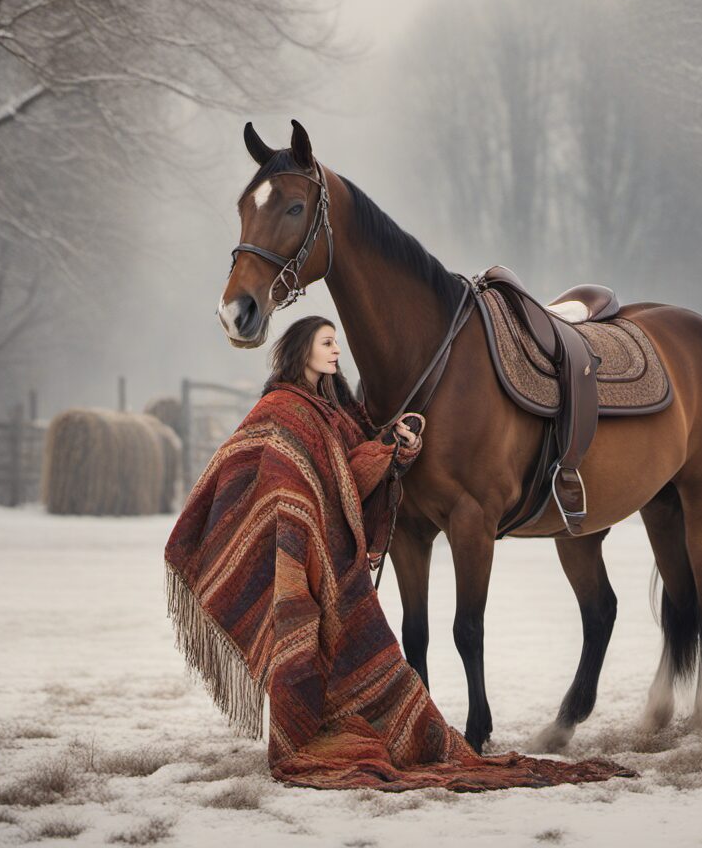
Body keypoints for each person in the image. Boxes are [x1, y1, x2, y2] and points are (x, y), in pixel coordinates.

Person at [164, 316, 630, 792]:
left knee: (356, 660)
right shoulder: (282, 407)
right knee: (308, 650)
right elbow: (258, 463)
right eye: (327, 343)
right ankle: (305, 729)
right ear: (303, 350)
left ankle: (378, 726)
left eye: (336, 343)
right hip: (304, 553)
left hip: (334, 563)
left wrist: (393, 451)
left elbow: (350, 471)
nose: (336, 351)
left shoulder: (337, 407)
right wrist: (292, 506)